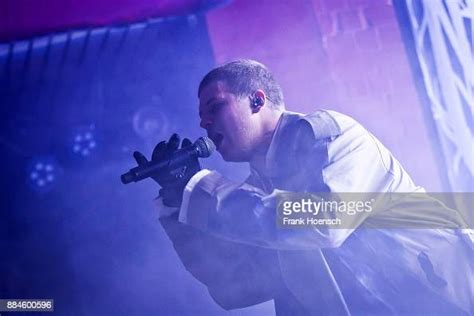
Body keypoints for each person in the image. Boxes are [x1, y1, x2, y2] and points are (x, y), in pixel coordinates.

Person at [133, 59, 473, 315]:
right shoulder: (256, 202)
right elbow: (234, 286)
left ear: (256, 100)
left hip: (448, 298)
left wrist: (202, 186)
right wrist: (179, 200)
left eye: (215, 107)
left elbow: (323, 221)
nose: (204, 123)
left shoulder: (332, 136)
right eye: (202, 117)